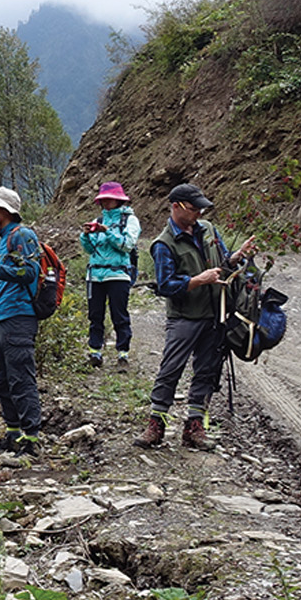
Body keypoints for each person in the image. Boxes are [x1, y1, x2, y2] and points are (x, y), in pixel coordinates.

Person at [137, 182, 255, 450]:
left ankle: (195, 425)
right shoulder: (164, 244)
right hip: (184, 318)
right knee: (171, 369)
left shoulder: (209, 230)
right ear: (176, 207)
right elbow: (165, 286)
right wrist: (197, 280)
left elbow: (223, 263)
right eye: (194, 209)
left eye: (201, 209)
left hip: (215, 315)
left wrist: (237, 257)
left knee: (207, 371)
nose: (199, 214)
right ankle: (156, 424)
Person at [0, 186, 43, 457]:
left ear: (5, 210)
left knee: (20, 379)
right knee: (3, 380)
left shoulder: (22, 235)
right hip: (2, 316)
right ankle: (13, 433)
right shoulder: (2, 239)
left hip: (19, 316)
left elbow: (29, 272)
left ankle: (31, 439)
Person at [80, 181, 142, 370]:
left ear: (119, 200)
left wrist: (107, 232)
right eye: (104, 200)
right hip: (95, 275)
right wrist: (85, 236)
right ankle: (95, 351)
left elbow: (126, 245)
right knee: (95, 315)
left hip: (118, 275)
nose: (107, 203)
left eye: (110, 199)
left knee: (119, 315)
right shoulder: (98, 221)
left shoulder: (130, 220)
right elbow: (91, 249)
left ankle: (123, 353)